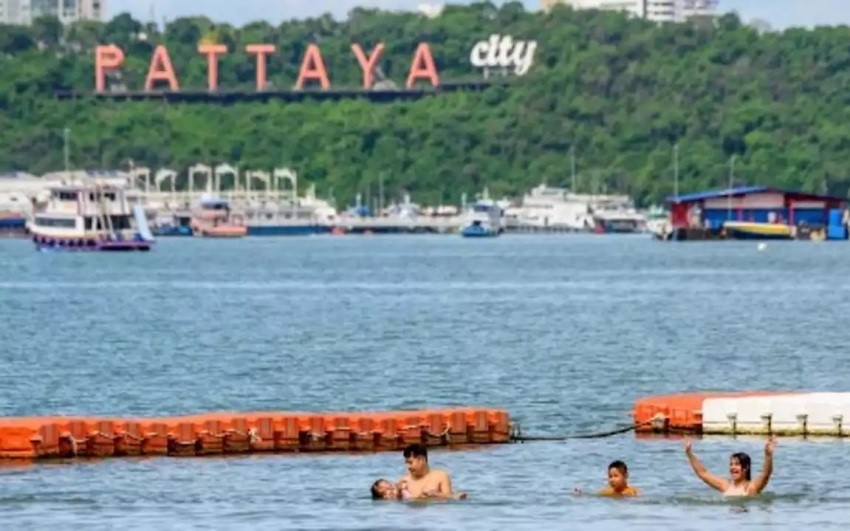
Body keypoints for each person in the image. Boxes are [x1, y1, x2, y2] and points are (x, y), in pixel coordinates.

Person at [684, 436, 777, 497]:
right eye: (731, 464)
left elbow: (766, 473)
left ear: (746, 468)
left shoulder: (751, 487)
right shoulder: (726, 486)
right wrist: (689, 454)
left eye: (737, 464)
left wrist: (768, 455)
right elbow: (703, 474)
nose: (733, 468)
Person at [397, 443, 467, 500]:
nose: (408, 467)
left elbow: (449, 500)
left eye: (410, 463)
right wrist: (399, 493)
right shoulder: (404, 481)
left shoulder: (440, 477)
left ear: (421, 460)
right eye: (406, 463)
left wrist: (435, 495)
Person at [573, 460, 639, 497]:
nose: (612, 480)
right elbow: (593, 496)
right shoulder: (607, 492)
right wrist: (580, 494)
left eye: (616, 476)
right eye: (610, 476)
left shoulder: (632, 492)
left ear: (625, 476)